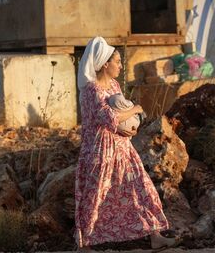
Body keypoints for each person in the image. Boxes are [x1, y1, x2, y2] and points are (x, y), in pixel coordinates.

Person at [74, 36, 178, 251]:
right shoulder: (92, 90)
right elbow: (109, 118)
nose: (121, 66)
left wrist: (131, 125)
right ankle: (84, 245)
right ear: (105, 64)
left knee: (141, 187)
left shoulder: (113, 85)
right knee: (96, 196)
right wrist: (136, 109)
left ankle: (155, 235)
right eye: (118, 62)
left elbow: (119, 114)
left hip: (122, 146)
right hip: (100, 150)